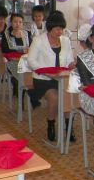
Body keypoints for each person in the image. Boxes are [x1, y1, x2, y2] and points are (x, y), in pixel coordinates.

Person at [27, 11, 75, 142]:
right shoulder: (39, 40)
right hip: (43, 79)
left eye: (62, 29)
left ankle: (69, 126)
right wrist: (44, 71)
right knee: (54, 97)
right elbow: (31, 60)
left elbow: (69, 60)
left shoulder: (65, 41)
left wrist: (72, 64)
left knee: (68, 96)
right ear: (50, 28)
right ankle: (51, 124)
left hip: (61, 78)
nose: (60, 32)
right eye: (57, 29)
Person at [2, 13, 32, 97]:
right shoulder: (6, 35)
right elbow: (5, 50)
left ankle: (30, 95)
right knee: (20, 74)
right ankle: (21, 96)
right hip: (12, 62)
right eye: (15, 22)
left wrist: (29, 50)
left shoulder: (27, 34)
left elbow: (32, 47)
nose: (18, 24)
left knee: (33, 72)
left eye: (20, 22)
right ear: (11, 23)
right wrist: (21, 51)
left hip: (26, 61)